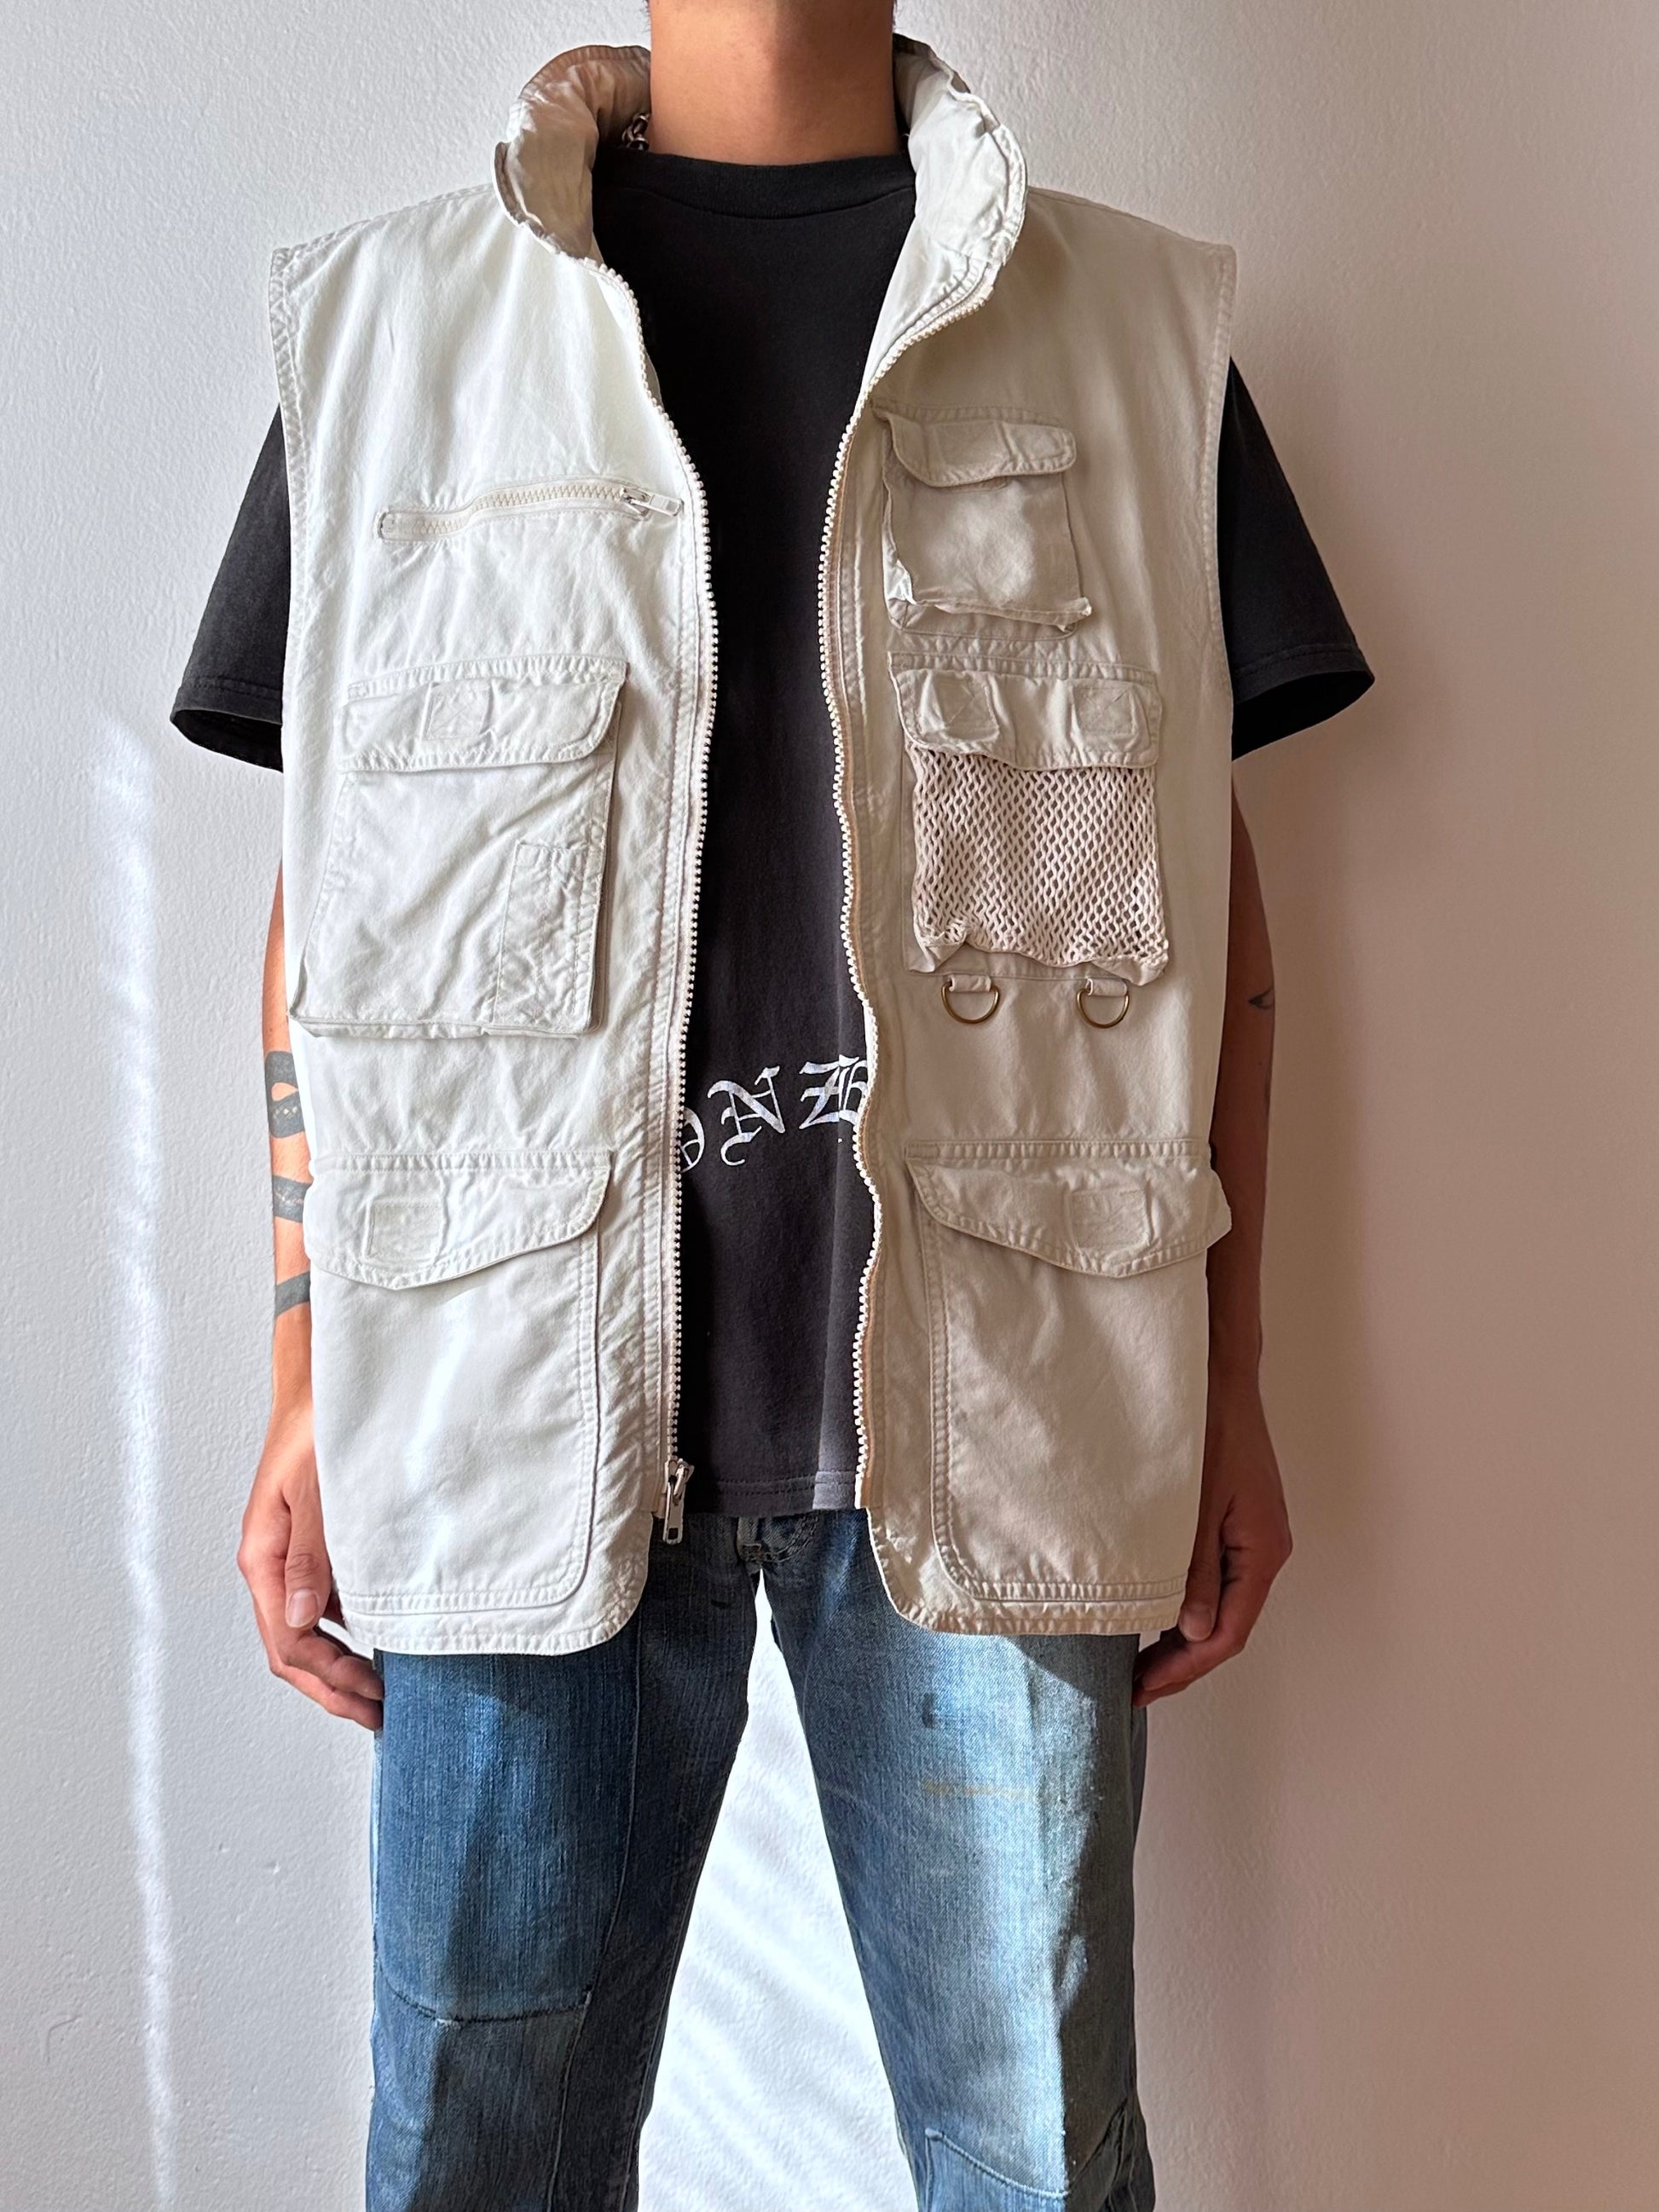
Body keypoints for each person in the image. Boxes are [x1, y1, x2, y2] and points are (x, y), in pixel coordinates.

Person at [173, 6, 1372, 2206]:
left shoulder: (1134, 330)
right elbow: (328, 904)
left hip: (1009, 1405)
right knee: (475, 2162)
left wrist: (1229, 1373)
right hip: (508, 1400)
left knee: (1037, 2161)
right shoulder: (386, 335)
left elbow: (1203, 906)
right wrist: (304, 1367)